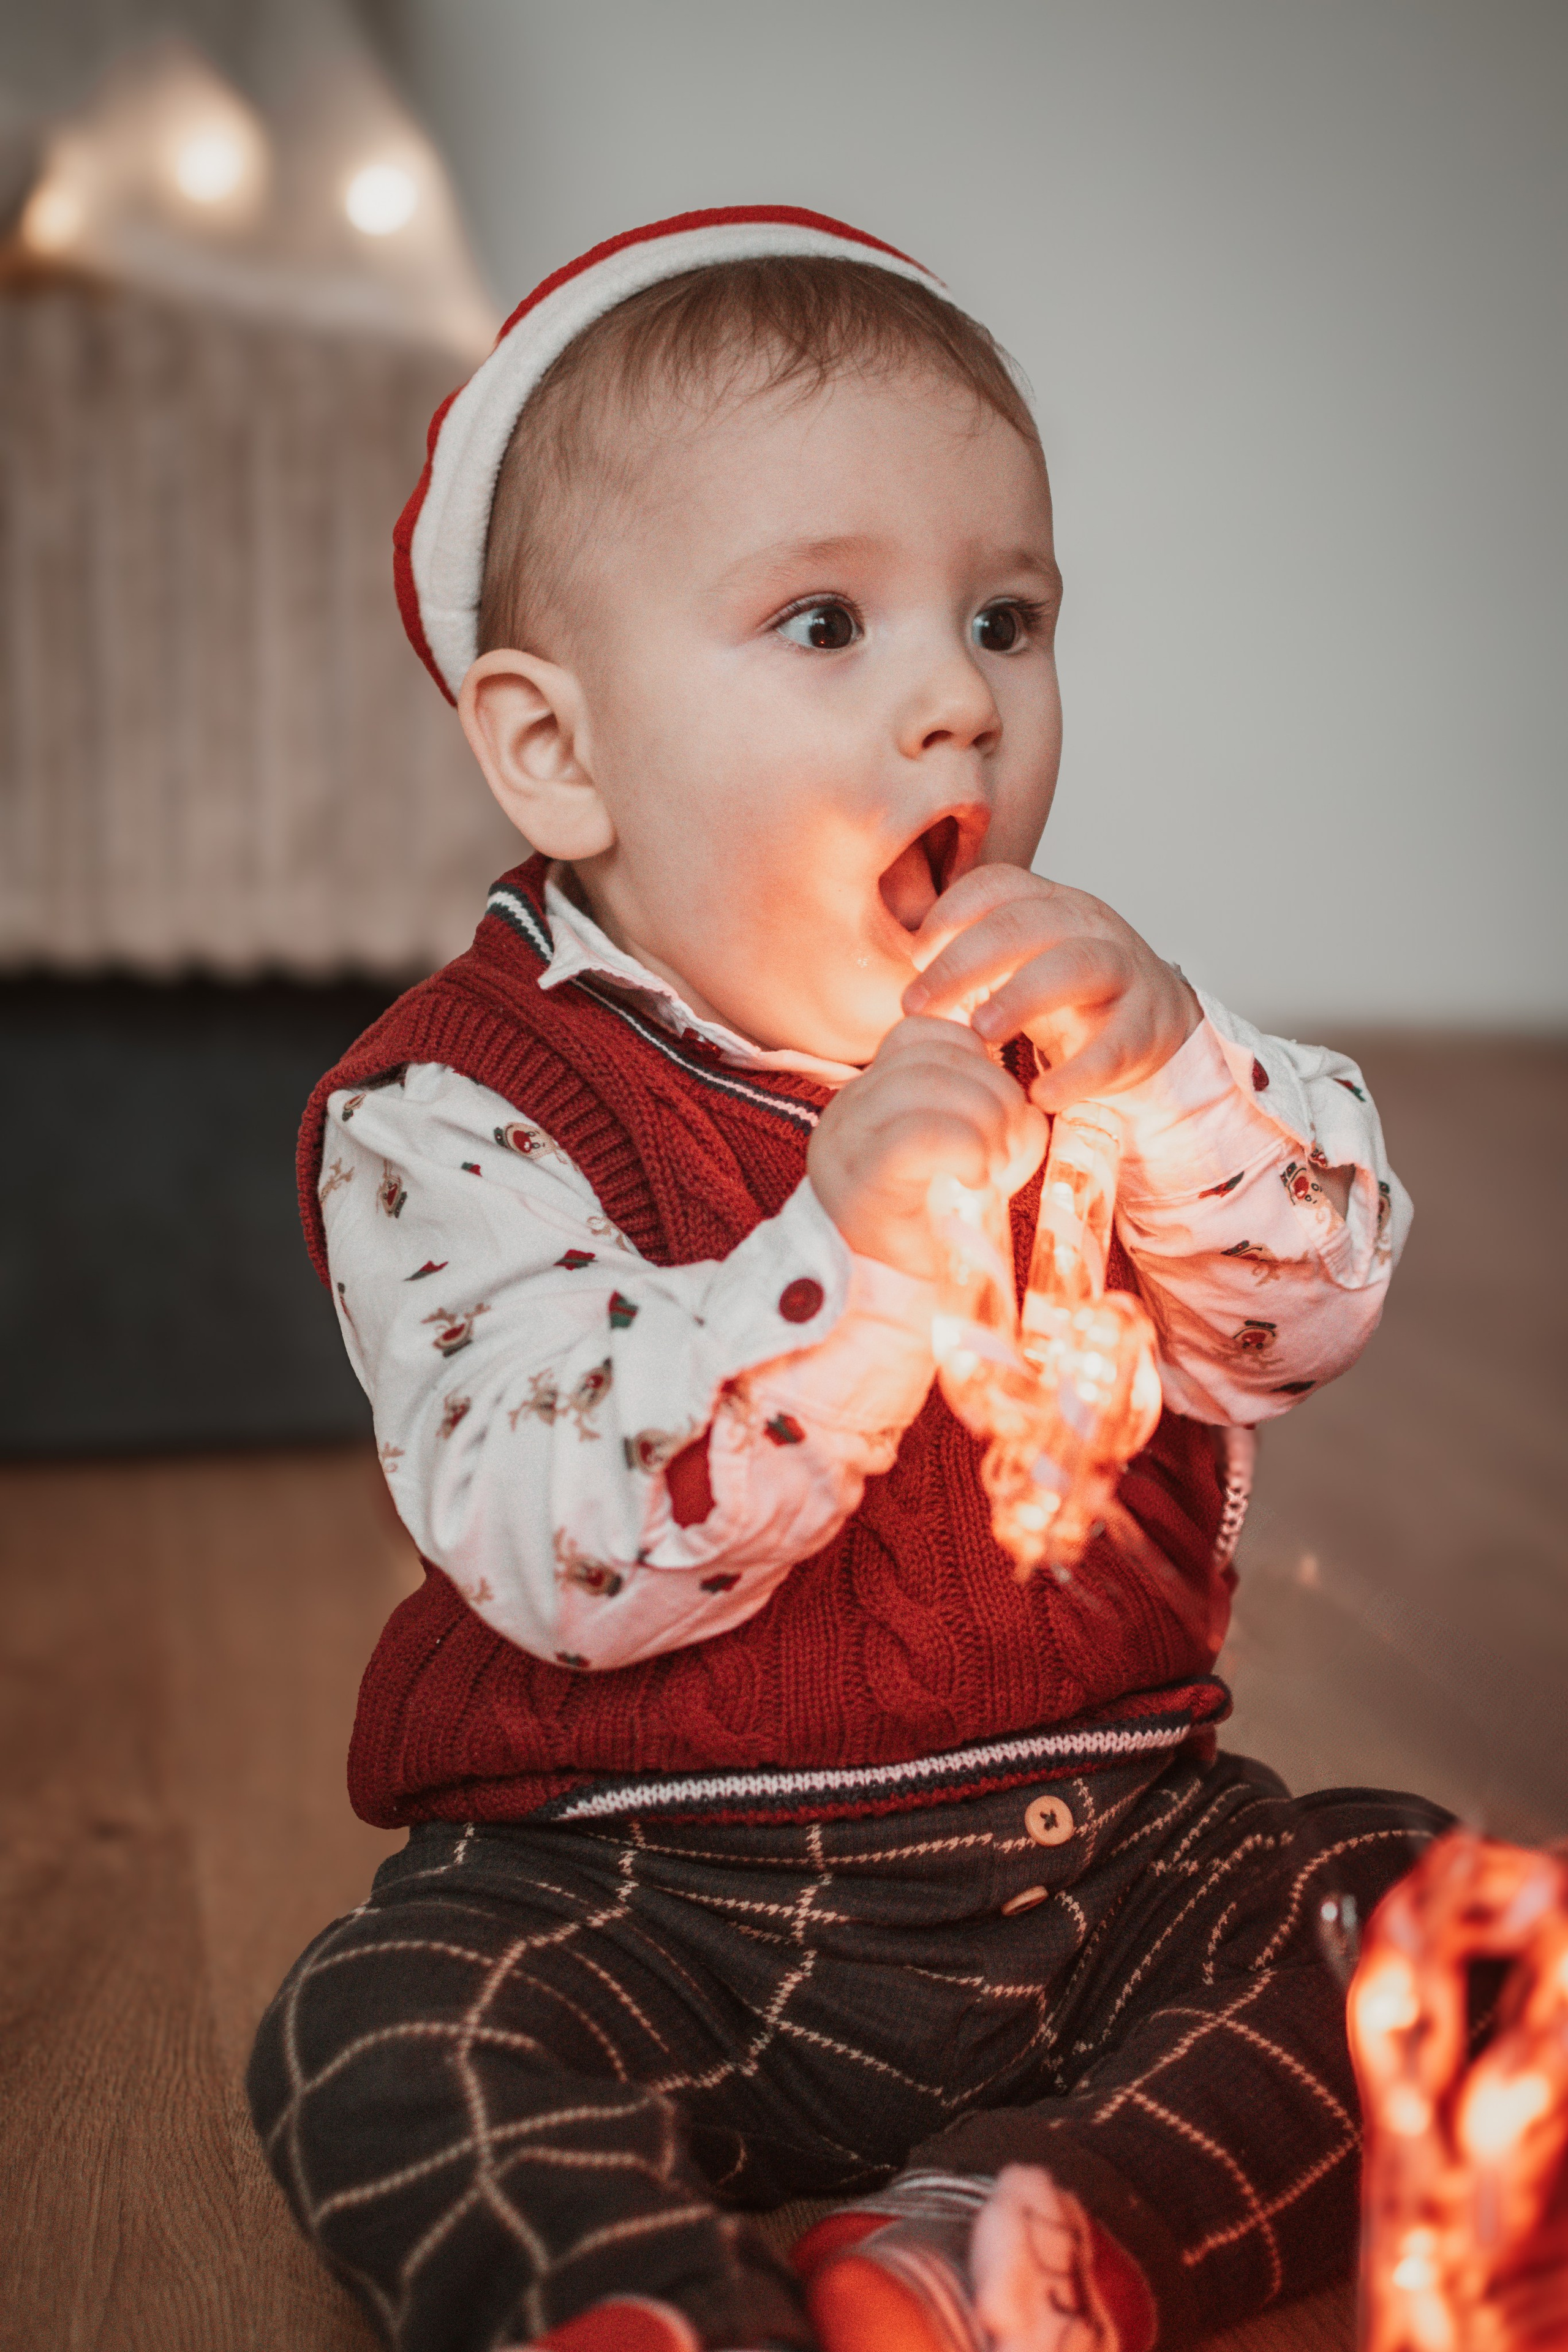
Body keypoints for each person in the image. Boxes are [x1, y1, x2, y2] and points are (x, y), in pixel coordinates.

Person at [249, 208, 1445, 2352]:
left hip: (1100, 1854)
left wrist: (1178, 1071)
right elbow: (560, 1541)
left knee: (1441, 1927)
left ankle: (1016, 2240)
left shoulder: (1087, 1038)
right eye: (825, 620)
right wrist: (846, 1253)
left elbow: (1306, 1310)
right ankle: (636, 2300)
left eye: (1007, 618)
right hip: (649, 1893)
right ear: (557, 752)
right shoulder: (454, 1111)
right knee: (385, 2031)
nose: (957, 701)